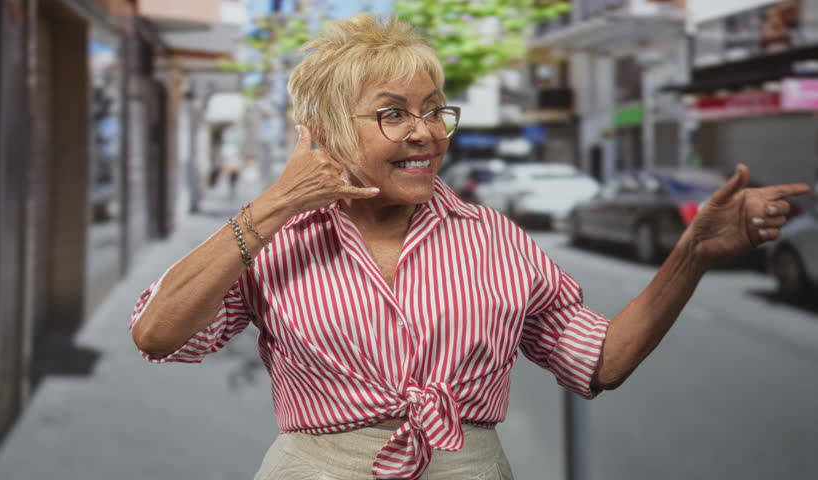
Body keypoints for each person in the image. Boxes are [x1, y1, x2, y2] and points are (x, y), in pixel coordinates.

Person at [128, 15, 812, 480]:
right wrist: (273, 206)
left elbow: (600, 363)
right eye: (393, 113)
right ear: (327, 132)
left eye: (434, 109)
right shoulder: (276, 243)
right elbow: (158, 336)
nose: (424, 131)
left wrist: (692, 251)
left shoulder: (494, 239)